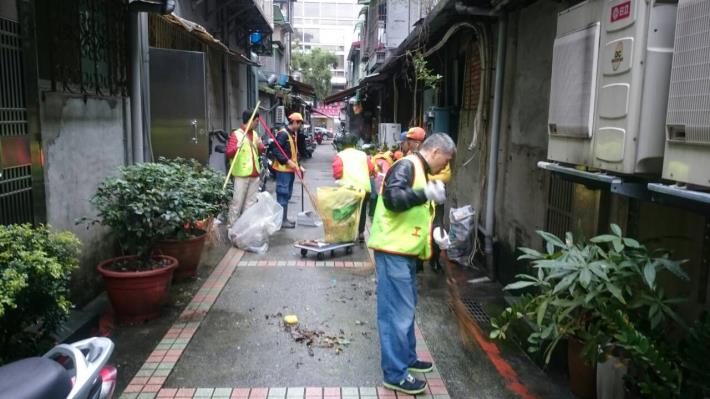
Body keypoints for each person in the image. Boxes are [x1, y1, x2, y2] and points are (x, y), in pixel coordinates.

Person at [367, 133, 456, 395]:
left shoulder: (419, 169)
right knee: (396, 313)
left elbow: (417, 211)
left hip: (404, 252)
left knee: (406, 308)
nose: (445, 166)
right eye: (446, 160)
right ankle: (395, 373)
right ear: (437, 151)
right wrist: (424, 192)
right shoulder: (406, 166)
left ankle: (406, 358)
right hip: (393, 251)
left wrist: (435, 234)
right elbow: (393, 200)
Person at [332, 134, 375, 242]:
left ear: (342, 145)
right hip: (364, 189)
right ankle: (361, 233)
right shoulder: (363, 155)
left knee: (348, 210)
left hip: (348, 189)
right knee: (362, 210)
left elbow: (337, 172)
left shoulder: (340, 155)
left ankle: (348, 234)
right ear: (355, 144)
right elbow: (371, 169)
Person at [226, 110, 265, 225]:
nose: (258, 123)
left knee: (250, 205)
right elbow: (228, 153)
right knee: (237, 203)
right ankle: (232, 228)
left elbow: (260, 151)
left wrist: (260, 145)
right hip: (241, 175)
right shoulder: (236, 135)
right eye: (256, 121)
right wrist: (235, 148)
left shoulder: (255, 134)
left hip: (255, 175)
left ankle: (246, 230)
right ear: (250, 120)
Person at [272, 112, 305, 229]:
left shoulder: (292, 134)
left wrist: (299, 165)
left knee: (287, 194)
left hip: (290, 170)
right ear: (294, 122)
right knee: (282, 193)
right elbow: (276, 150)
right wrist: (287, 161)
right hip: (283, 171)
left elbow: (294, 153)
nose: (300, 125)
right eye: (299, 123)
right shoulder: (283, 134)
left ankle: (284, 219)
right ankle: (281, 221)